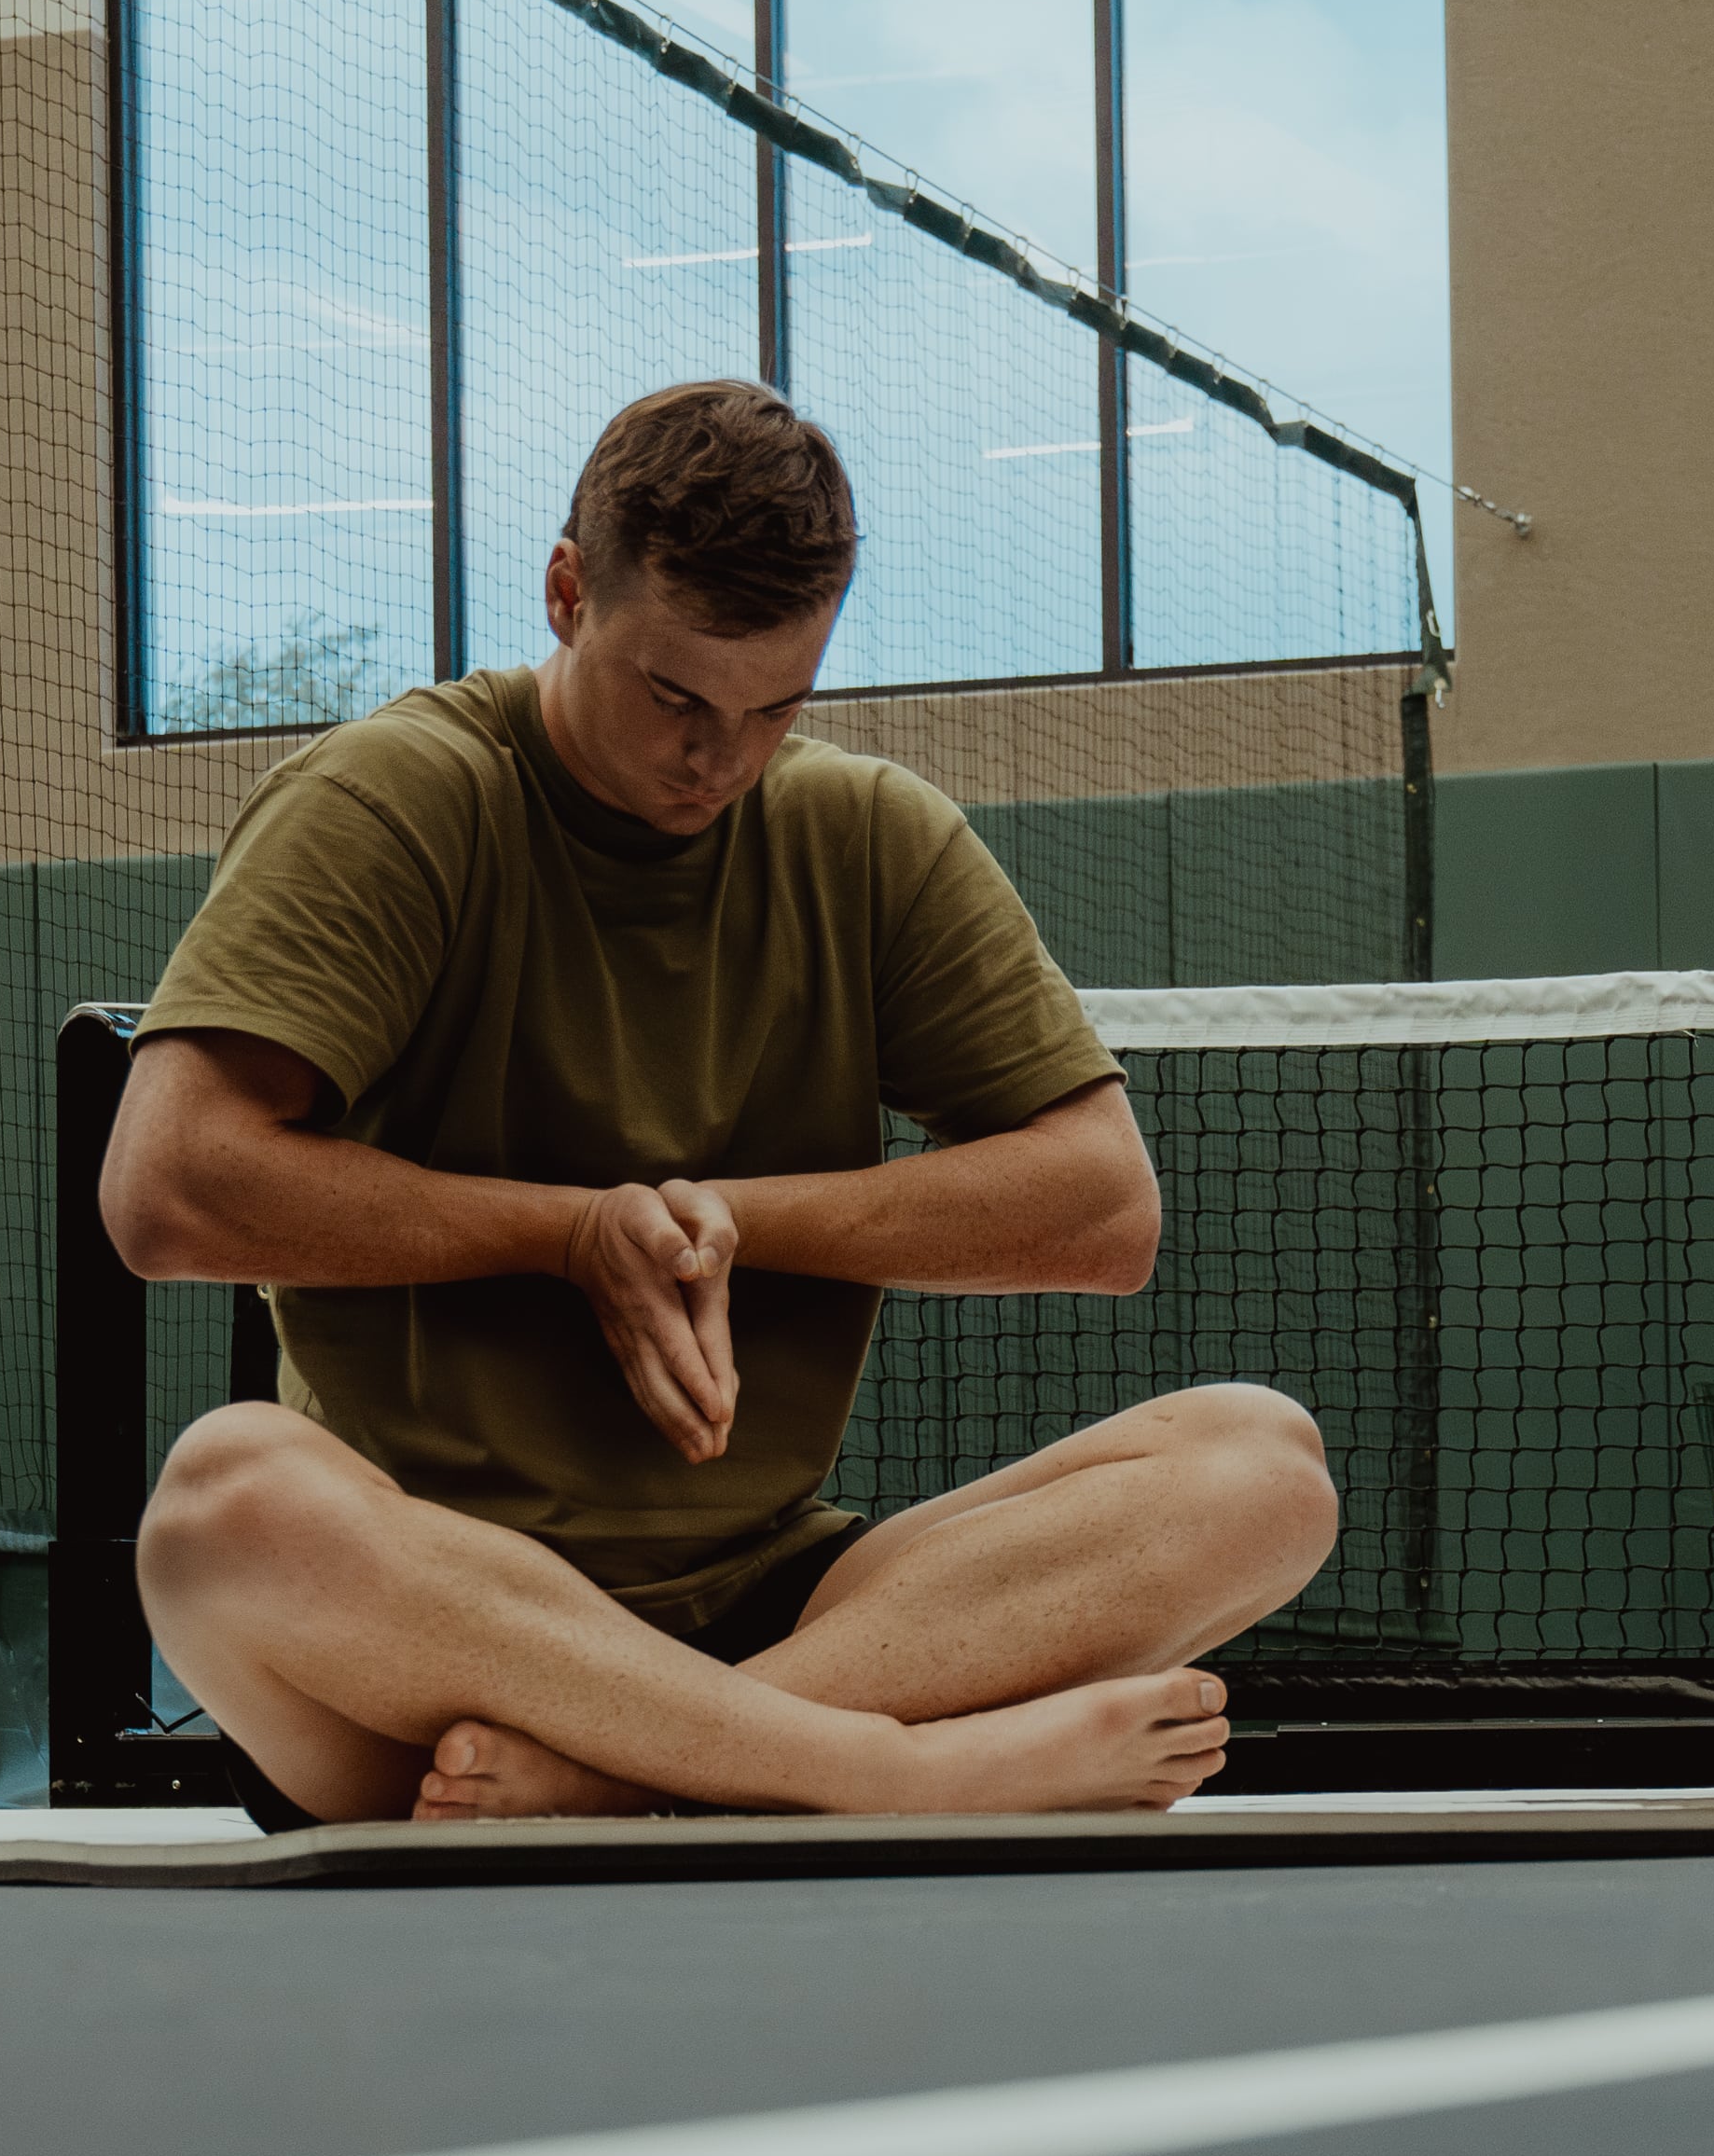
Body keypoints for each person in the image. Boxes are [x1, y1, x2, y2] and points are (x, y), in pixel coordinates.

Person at [104, 380, 1339, 1823]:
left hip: (786, 1619)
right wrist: (573, 1239)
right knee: (225, 1504)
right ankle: (886, 1773)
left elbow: (1101, 1214)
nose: (718, 759)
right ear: (569, 593)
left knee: (1259, 1468)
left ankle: (627, 1781)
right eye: (674, 697)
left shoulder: (868, 833)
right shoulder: (396, 797)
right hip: (438, 1649)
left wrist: (721, 1225)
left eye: (776, 707)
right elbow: (168, 1187)